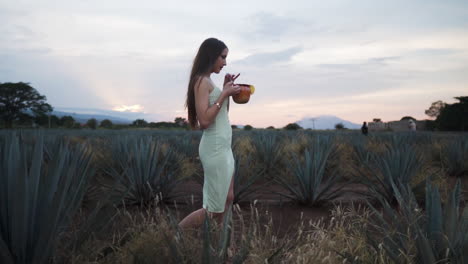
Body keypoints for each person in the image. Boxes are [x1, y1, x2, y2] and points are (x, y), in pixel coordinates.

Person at [179, 38, 241, 230]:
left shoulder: (209, 81)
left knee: (228, 198)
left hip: (223, 147)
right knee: (214, 208)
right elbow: (205, 121)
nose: (225, 62)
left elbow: (221, 114)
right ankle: (177, 234)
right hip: (213, 148)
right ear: (211, 55)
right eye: (222, 57)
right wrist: (223, 94)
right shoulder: (200, 81)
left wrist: (225, 89)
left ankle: (223, 248)